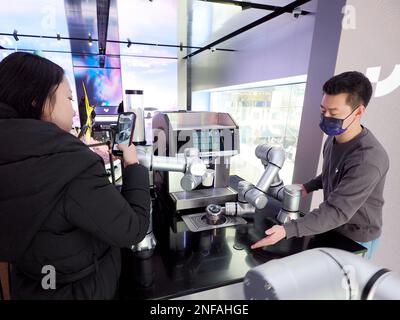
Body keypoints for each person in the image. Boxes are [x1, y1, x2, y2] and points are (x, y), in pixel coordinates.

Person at [0, 52, 150, 299]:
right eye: (69, 98)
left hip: (30, 286)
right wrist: (133, 166)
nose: (73, 111)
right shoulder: (69, 162)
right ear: (38, 101)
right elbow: (131, 229)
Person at [251, 71, 389, 260]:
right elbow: (332, 173)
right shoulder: (333, 139)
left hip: (357, 238)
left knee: (343, 288)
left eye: (334, 113)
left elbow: (337, 211)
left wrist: (287, 230)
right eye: (323, 110)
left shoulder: (368, 159)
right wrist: (309, 187)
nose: (326, 117)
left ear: (358, 111)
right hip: (333, 225)